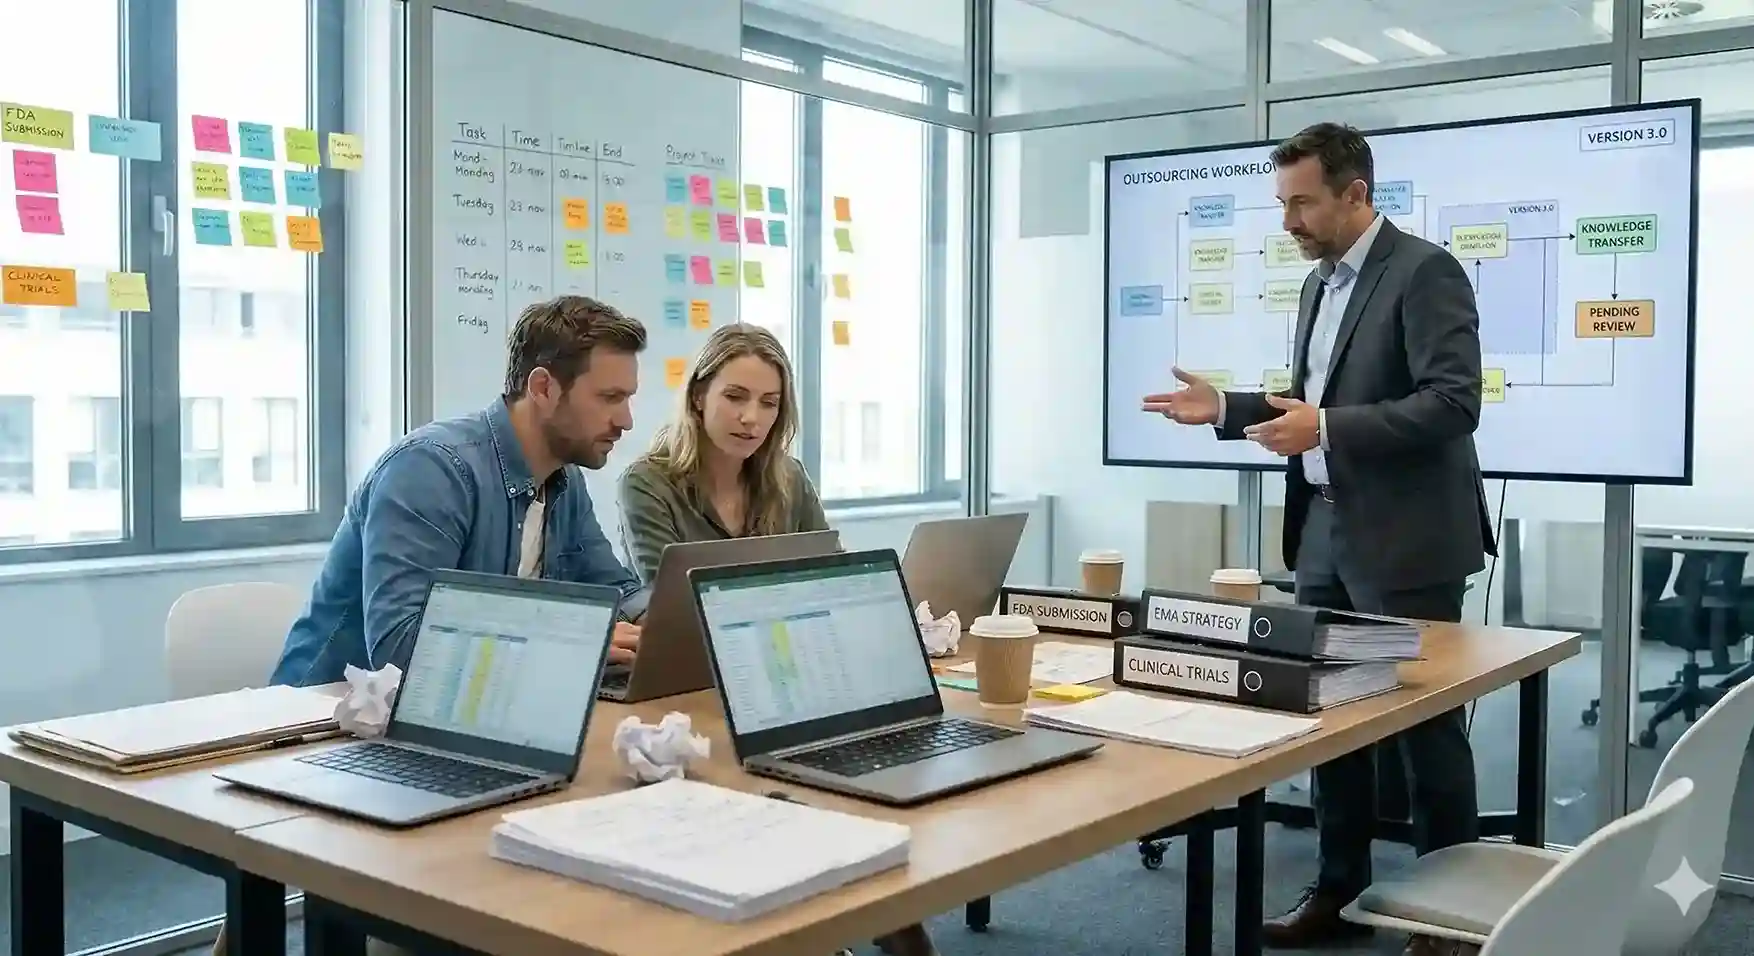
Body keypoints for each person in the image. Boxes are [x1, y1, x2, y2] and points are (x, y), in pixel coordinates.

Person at [1141, 122, 1495, 956]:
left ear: (1356, 195)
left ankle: (1448, 917)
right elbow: (1311, 407)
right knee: (1327, 718)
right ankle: (1340, 888)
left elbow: (1453, 403)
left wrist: (1327, 425)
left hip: (1406, 539)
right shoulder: (1315, 287)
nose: (1289, 221)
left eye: (1302, 203)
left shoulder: (1424, 271)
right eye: (1283, 204)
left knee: (1423, 729)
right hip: (1326, 530)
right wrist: (1229, 410)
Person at [616, 324, 936, 956]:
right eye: (736, 396)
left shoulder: (786, 478)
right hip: (693, 688)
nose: (750, 417)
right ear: (700, 393)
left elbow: (830, 571)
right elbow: (669, 602)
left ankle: (876, 919)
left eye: (768, 404)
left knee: (856, 772)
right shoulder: (647, 482)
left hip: (787, 676)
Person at [269, 294, 649, 689]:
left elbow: (614, 592)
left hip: (465, 709)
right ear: (543, 388)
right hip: (323, 719)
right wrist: (572, 642)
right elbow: (400, 645)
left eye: (628, 398)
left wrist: (665, 624)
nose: (626, 420)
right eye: (609, 398)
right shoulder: (430, 469)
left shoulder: (564, 480)